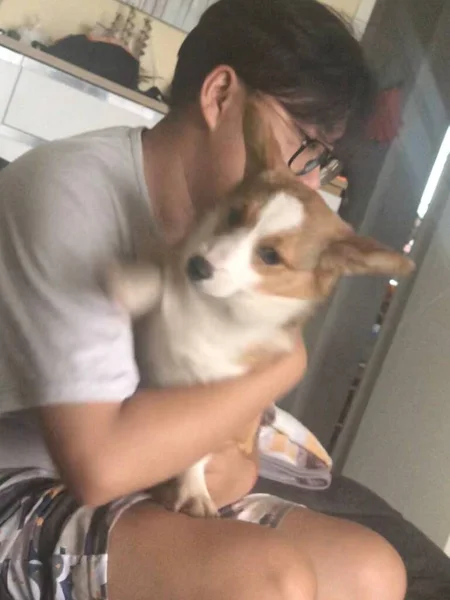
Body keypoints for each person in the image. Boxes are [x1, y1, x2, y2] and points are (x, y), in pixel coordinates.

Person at [0, 1, 407, 599]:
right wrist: (282, 364)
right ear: (220, 96)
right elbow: (100, 468)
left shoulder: (225, 244)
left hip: (149, 472)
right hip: (26, 472)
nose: (309, 183)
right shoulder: (70, 194)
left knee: (372, 572)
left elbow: (235, 461)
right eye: (304, 144)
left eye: (324, 162)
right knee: (265, 580)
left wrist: (220, 457)